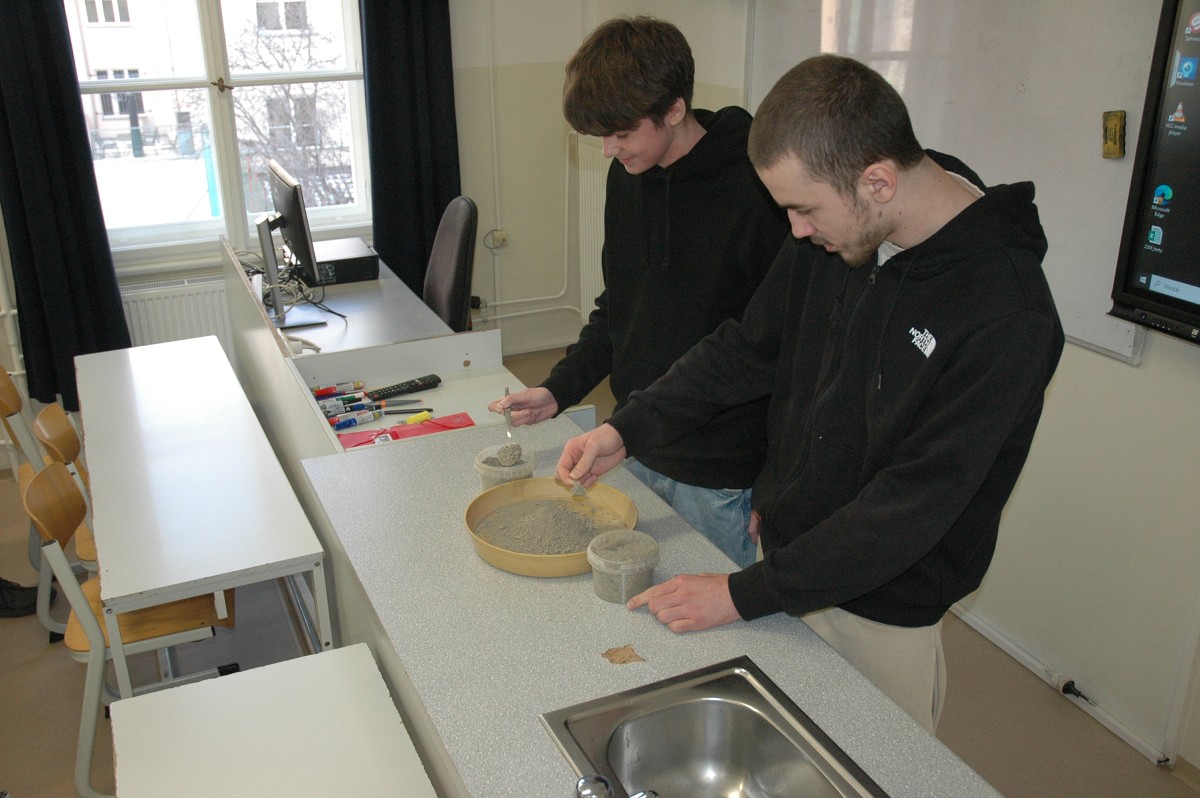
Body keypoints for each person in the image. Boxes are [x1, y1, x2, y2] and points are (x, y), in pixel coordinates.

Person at [556, 54, 1064, 732]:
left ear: (878, 181)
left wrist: (743, 593)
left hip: (880, 604)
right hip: (785, 559)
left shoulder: (1005, 311)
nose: (795, 231)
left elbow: (912, 505)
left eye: (803, 209)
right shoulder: (841, 228)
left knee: (869, 760)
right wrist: (630, 428)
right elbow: (750, 348)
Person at [489, 17, 788, 568]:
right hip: (633, 440)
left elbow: (781, 349)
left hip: (718, 471)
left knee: (710, 611)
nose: (608, 150)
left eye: (621, 134)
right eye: (602, 136)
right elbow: (621, 306)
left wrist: (778, 480)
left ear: (674, 109)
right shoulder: (630, 174)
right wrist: (560, 388)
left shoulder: (757, 188)